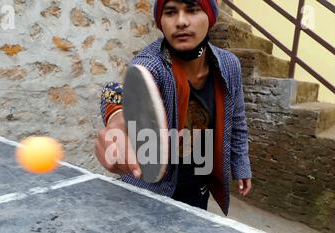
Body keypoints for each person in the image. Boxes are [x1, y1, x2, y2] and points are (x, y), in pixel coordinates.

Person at [94, 0, 252, 215]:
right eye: (170, 12)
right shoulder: (150, 64)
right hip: (150, 189)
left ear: (211, 17)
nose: (181, 22)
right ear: (161, 21)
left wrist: (241, 164)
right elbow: (119, 92)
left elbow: (237, 119)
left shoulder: (229, 65)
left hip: (199, 178)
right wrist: (116, 123)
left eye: (193, 10)